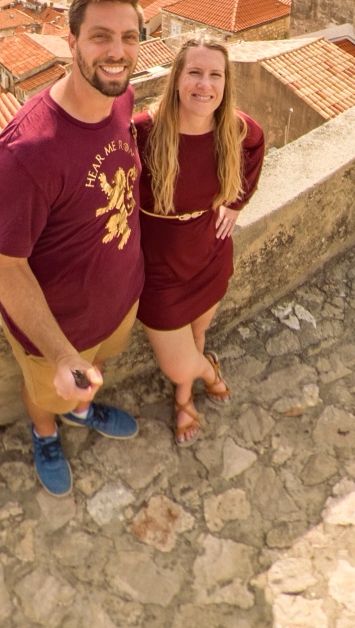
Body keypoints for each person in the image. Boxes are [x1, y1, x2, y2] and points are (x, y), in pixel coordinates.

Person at [0, 0, 147, 496]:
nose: (117, 51)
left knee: (95, 370)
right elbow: (6, 266)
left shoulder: (121, 97)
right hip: (56, 332)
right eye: (100, 37)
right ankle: (46, 432)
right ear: (71, 41)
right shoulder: (27, 152)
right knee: (46, 396)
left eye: (128, 37)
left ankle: (81, 410)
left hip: (119, 301)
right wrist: (60, 357)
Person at [132, 35, 266, 444]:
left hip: (209, 254)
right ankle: (207, 371)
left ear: (225, 83)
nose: (204, 84)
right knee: (177, 362)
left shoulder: (234, 129)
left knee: (196, 334)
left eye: (215, 75)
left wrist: (237, 203)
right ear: (176, 78)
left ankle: (184, 397)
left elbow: (257, 145)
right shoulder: (142, 132)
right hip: (156, 268)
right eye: (194, 72)